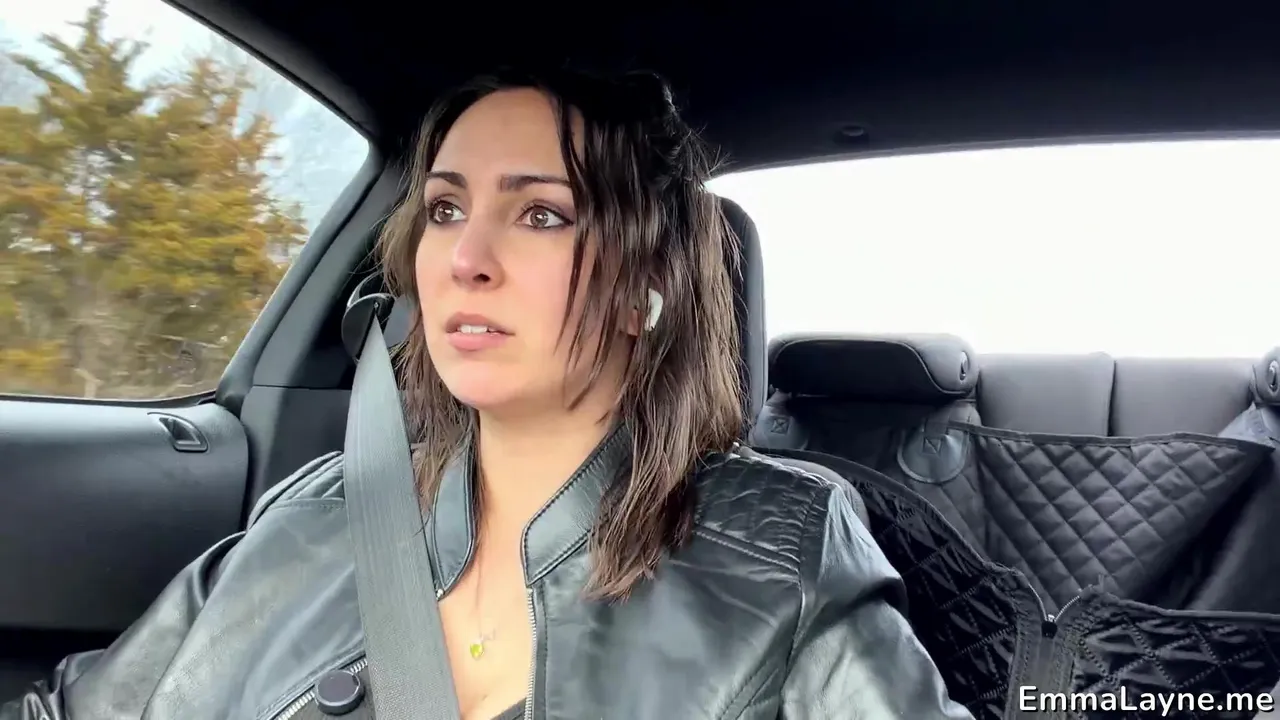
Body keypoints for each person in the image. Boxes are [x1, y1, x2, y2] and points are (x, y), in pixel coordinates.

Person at [1, 69, 972, 720]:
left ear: (643, 285)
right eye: (444, 208)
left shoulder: (782, 550)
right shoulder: (317, 515)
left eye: (540, 214)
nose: (466, 257)